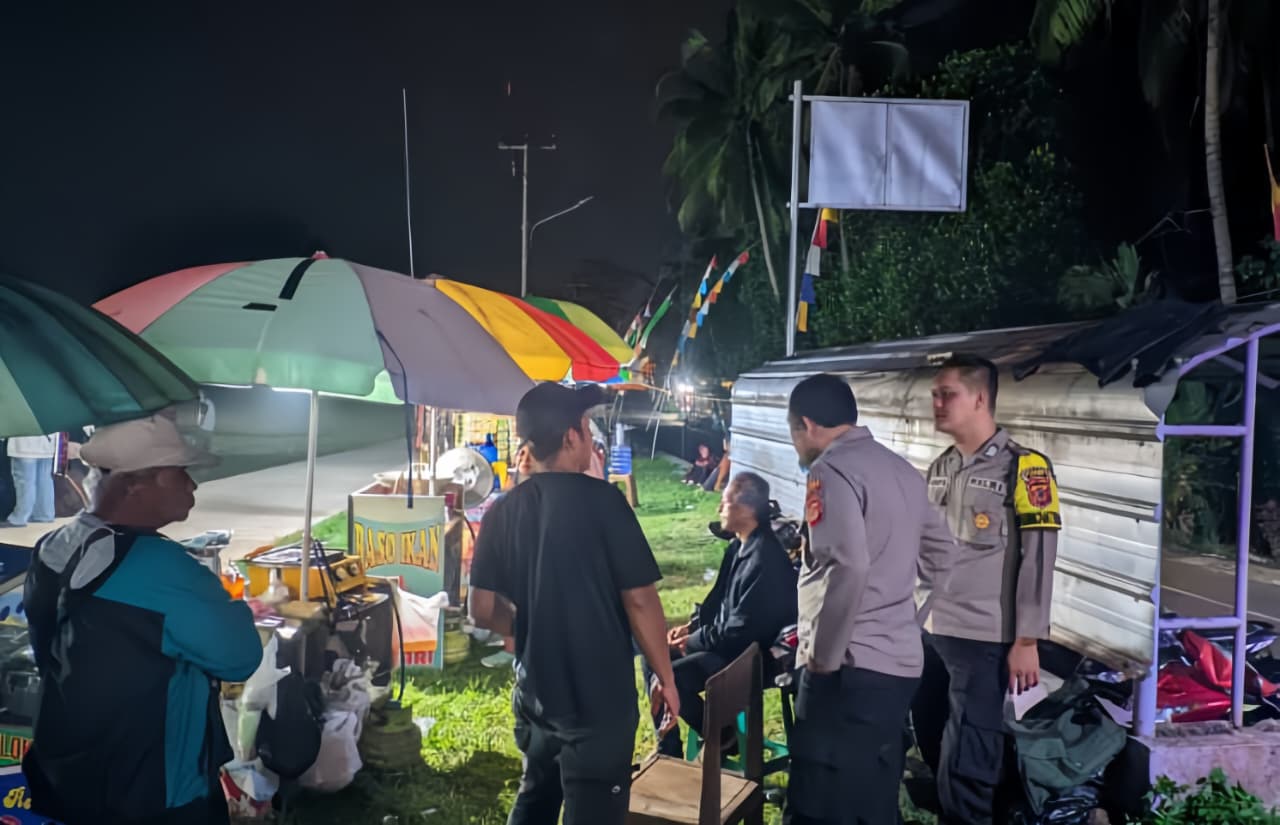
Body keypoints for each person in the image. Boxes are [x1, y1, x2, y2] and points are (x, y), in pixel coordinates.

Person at [22, 409, 262, 825]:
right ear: (134, 483)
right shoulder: (165, 568)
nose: (192, 484)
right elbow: (241, 656)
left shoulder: (54, 545)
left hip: (72, 777)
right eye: (179, 473)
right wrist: (230, 603)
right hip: (158, 793)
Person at [468, 382, 678, 825]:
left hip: (536, 691)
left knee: (536, 796)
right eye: (586, 428)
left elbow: (481, 610)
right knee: (594, 808)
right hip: (599, 700)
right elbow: (640, 600)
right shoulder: (605, 502)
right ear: (570, 436)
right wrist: (666, 675)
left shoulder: (502, 511)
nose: (590, 438)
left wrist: (526, 625)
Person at [783, 373, 954, 825]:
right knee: (872, 797)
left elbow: (849, 565)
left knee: (818, 804)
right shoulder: (901, 470)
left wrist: (823, 661)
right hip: (898, 665)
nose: (796, 445)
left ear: (807, 425)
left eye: (793, 433)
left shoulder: (830, 471)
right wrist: (908, 620)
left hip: (847, 672)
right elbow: (943, 555)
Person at [910, 354, 1062, 825]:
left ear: (979, 398)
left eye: (947, 394)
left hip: (983, 637)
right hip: (932, 629)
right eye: (935, 395)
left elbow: (1038, 558)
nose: (937, 403)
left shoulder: (1025, 468)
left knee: (969, 757)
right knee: (933, 740)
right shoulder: (941, 466)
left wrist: (1027, 639)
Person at [641, 471, 798, 757]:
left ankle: (723, 735)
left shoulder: (764, 558)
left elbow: (741, 631)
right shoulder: (739, 546)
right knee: (652, 656)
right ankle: (668, 747)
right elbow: (718, 602)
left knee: (672, 677)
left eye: (725, 503)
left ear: (747, 509)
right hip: (726, 645)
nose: (718, 509)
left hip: (752, 657)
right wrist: (691, 628)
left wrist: (692, 642)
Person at [3, 433, 58, 527]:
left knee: (25, 482)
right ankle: (44, 514)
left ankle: (20, 517)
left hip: (23, 444)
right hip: (48, 444)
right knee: (44, 480)